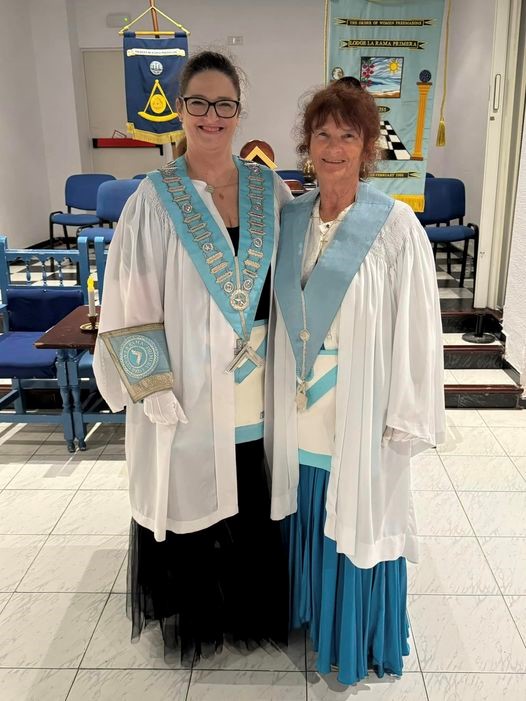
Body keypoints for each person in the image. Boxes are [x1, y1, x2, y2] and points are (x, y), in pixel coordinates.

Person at [93, 50, 292, 662]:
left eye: (224, 104)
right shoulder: (153, 200)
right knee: (195, 492)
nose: (212, 116)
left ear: (239, 112)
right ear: (179, 110)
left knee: (249, 490)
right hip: (187, 380)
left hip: (258, 379)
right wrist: (152, 388)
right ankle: (202, 612)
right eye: (199, 103)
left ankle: (249, 607)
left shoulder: (270, 190)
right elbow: (129, 300)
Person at [268, 79, 445, 685]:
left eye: (349, 135)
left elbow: (420, 329)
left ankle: (355, 633)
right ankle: (310, 616)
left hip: (361, 407)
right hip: (299, 409)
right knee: (309, 506)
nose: (334, 147)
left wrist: (408, 413)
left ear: (368, 146)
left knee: (356, 513)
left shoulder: (396, 227)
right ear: (307, 143)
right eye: (323, 134)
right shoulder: (290, 219)